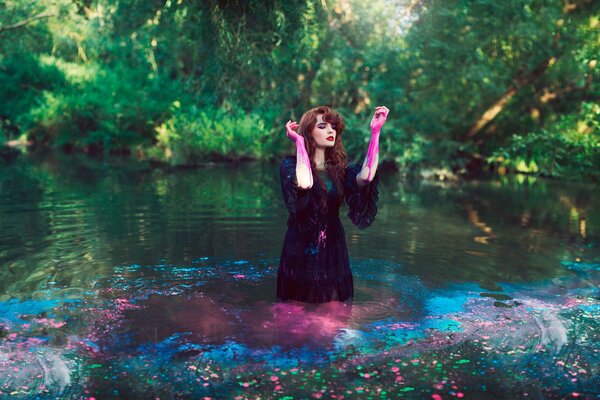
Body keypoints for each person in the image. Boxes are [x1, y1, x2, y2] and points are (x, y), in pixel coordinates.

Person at [277, 105, 390, 303]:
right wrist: (300, 143)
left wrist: (376, 132)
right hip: (301, 245)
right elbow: (305, 182)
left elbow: (367, 176)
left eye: (333, 127)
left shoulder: (340, 171)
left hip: (332, 245)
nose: (331, 130)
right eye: (322, 126)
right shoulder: (290, 165)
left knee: (334, 309)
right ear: (308, 132)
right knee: (295, 308)